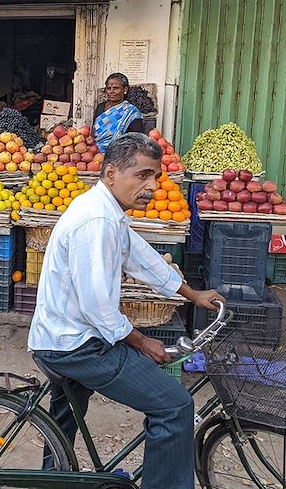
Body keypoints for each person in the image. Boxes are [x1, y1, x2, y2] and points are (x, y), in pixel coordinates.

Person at [28, 133, 225, 488]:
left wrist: (192, 294)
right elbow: (98, 308)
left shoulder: (107, 211)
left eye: (155, 177)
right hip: (77, 344)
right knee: (175, 406)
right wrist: (140, 341)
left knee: (65, 417)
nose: (150, 186)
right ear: (111, 174)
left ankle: (51, 480)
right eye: (142, 175)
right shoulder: (97, 221)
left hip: (61, 335)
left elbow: (142, 258)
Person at [93, 73, 143, 152]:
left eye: (116, 88)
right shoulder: (100, 107)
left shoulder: (131, 112)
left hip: (120, 154)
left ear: (125, 89)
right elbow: (94, 131)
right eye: (109, 88)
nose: (111, 91)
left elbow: (136, 139)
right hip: (95, 152)